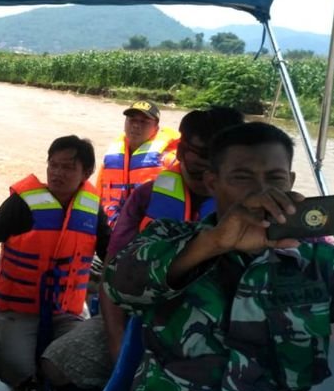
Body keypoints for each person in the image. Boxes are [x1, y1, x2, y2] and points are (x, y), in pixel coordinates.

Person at [106, 121, 334, 391]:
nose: (262, 191)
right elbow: (118, 287)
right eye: (242, 177)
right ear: (212, 182)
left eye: (275, 178)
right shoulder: (168, 236)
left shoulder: (320, 263)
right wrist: (214, 242)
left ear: (291, 182)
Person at [101, 107, 244, 360]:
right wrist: (117, 343)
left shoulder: (258, 210)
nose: (210, 180)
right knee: (58, 362)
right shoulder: (146, 197)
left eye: (221, 166)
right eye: (201, 167)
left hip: (224, 333)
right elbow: (112, 274)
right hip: (145, 322)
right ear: (180, 152)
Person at [0, 135, 111, 391]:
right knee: (15, 365)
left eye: (68, 167)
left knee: (79, 365)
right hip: (19, 311)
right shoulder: (22, 203)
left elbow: (111, 253)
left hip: (66, 313)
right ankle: (28, 384)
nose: (57, 173)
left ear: (86, 173)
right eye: (53, 165)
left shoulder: (92, 209)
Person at [96, 100, 180, 227]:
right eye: (132, 120)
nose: (136, 125)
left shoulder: (170, 160)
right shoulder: (112, 158)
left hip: (149, 232)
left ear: (156, 127)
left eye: (144, 122)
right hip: (112, 228)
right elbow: (98, 194)